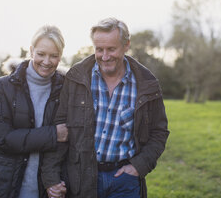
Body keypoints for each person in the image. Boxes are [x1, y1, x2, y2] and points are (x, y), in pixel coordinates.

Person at [41, 17, 169, 198]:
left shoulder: (147, 84)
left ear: (126, 45)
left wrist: (138, 166)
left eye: (111, 49)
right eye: (99, 49)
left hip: (125, 181)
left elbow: (159, 132)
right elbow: (60, 128)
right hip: (81, 178)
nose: (105, 56)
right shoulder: (76, 77)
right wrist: (51, 177)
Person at [0, 25, 68, 198]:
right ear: (31, 51)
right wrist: (53, 134)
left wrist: (55, 181)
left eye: (54, 56)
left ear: (60, 56)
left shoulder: (66, 88)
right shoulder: (4, 86)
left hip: (49, 187)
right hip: (6, 184)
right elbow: (4, 139)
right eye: (41, 54)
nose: (47, 61)